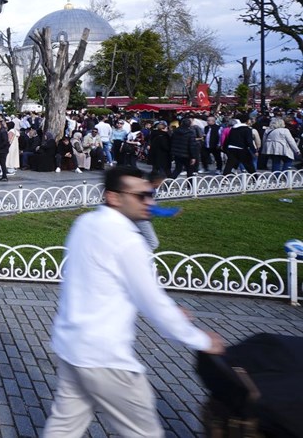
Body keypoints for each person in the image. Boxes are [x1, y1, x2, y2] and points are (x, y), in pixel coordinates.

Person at [42, 166, 225, 437]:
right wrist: (200, 339)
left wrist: (168, 310)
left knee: (64, 428)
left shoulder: (85, 223)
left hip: (73, 347)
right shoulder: (128, 241)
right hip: (107, 359)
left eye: (150, 194)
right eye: (140, 196)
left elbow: (94, 279)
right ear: (114, 197)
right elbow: (152, 302)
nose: (149, 202)